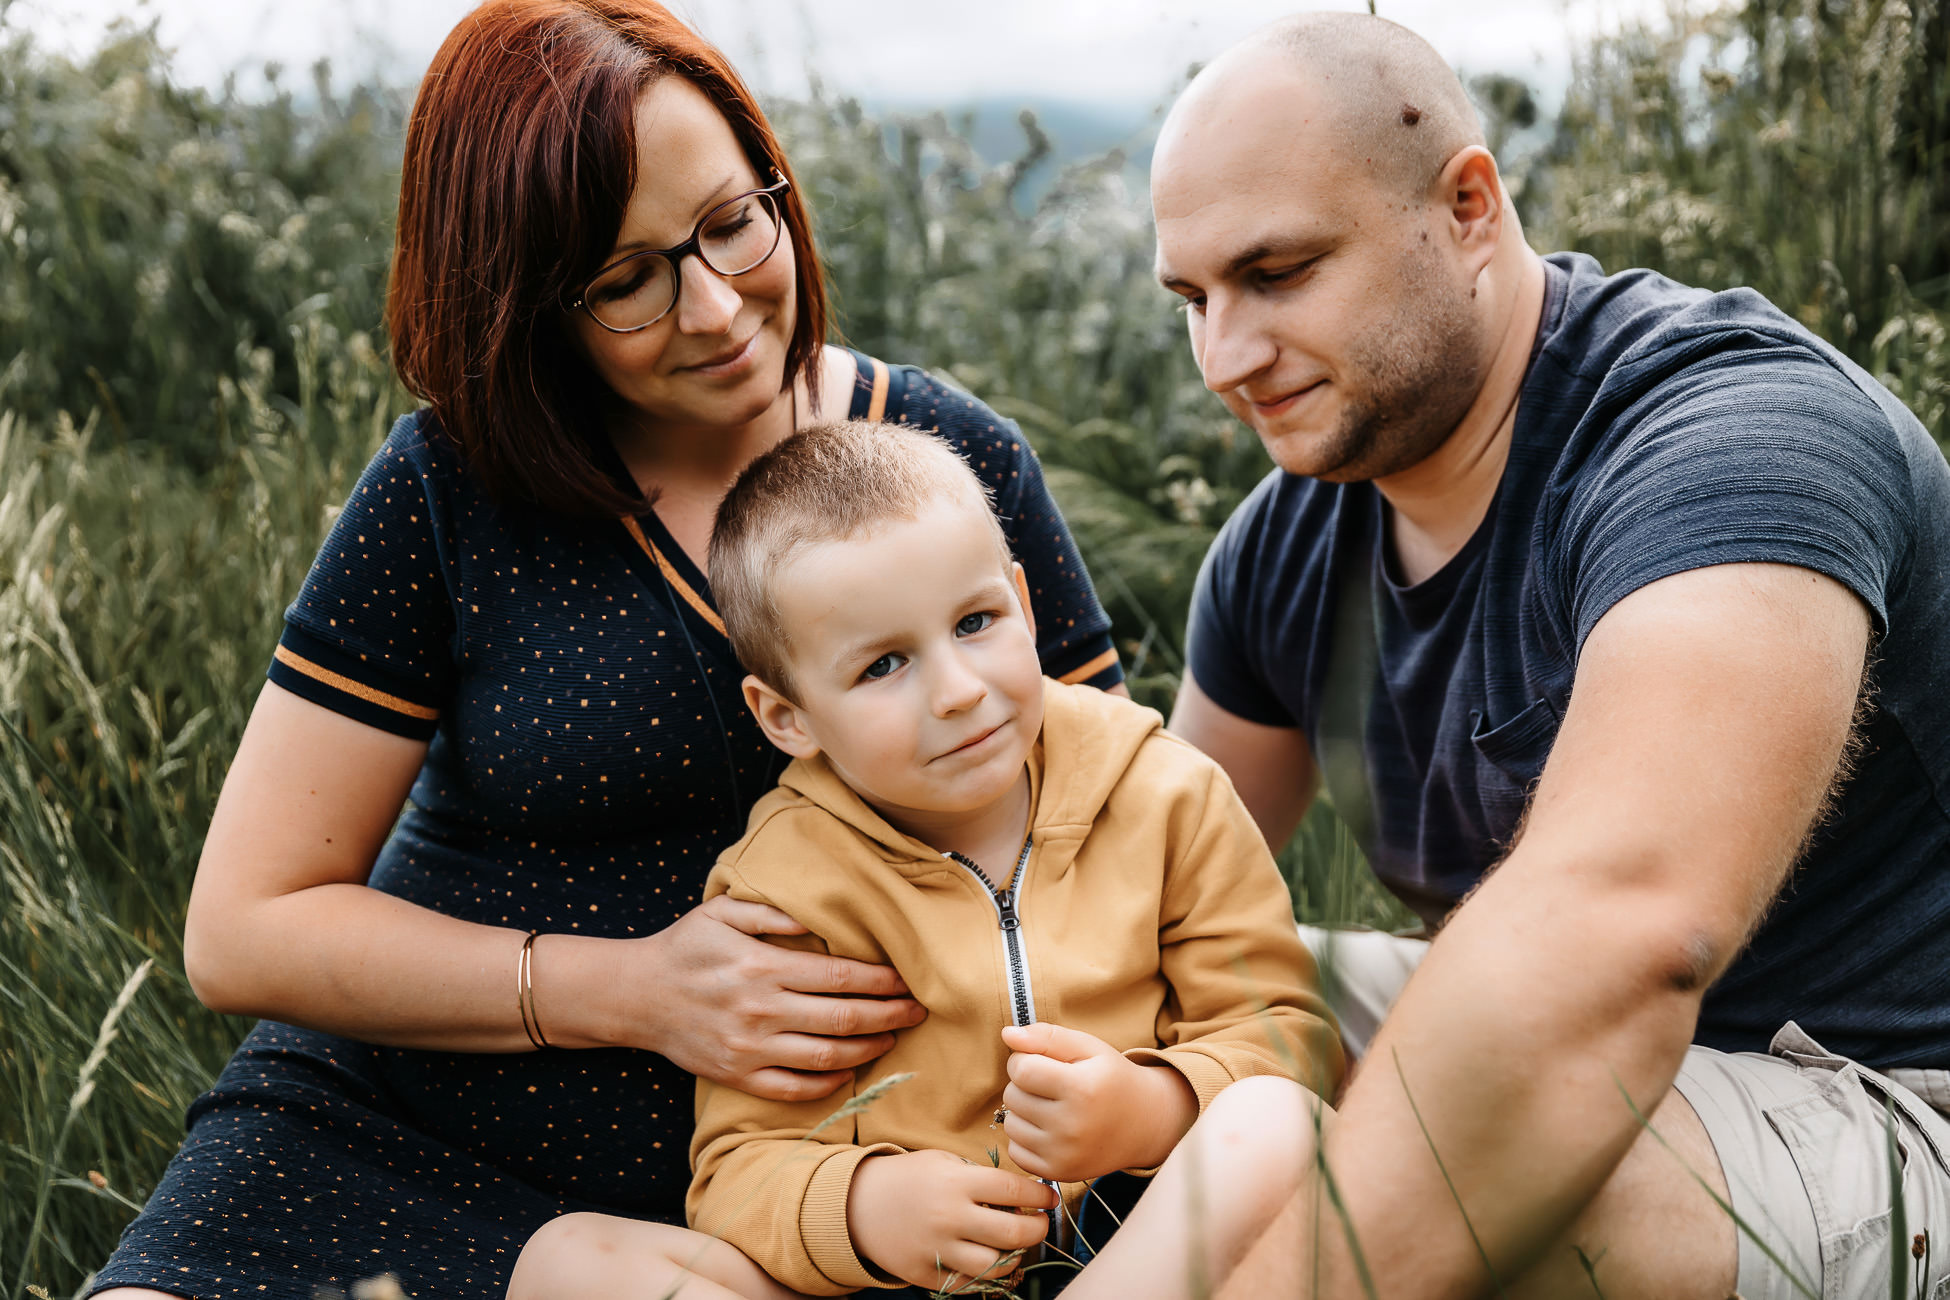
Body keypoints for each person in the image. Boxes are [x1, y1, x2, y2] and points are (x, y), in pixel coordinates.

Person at [85, 5, 1127, 1298]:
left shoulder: (947, 463)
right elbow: (243, 933)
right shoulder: (446, 488)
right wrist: (634, 991)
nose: (713, 304)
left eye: (733, 222)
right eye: (625, 279)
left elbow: (1119, 844)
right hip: (378, 1139)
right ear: (525, 303)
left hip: (801, 1189)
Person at [1064, 11, 1950, 1300]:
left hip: (1883, 1093)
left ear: (1469, 207)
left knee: (1504, 1193)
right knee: (1108, 997)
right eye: (1195, 298)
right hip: (1588, 1039)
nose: (1225, 358)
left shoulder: (1734, 436)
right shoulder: (1282, 546)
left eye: (1279, 272)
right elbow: (1153, 908)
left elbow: (1616, 934)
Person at [505, 419, 1342, 1299]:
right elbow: (737, 1169)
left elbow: (1286, 1037)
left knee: (1281, 1123)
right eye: (884, 666)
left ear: (1023, 603)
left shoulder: (1165, 793)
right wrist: (868, 1207)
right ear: (785, 716)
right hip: (910, 1279)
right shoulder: (783, 886)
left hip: (1142, 1239)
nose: (958, 691)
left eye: (976, 622)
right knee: (573, 1262)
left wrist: (1149, 1110)